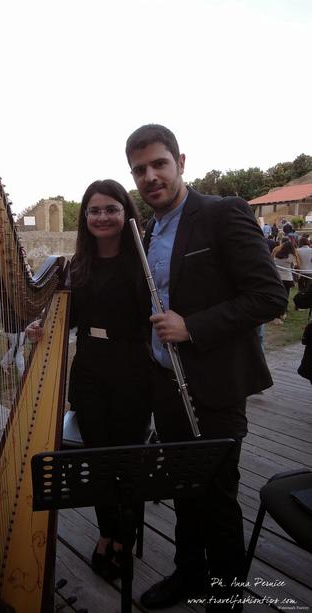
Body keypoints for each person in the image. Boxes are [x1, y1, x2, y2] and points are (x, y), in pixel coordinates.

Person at [125, 124, 287, 611]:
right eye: (139, 170)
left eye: (159, 164)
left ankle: (228, 596)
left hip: (213, 389)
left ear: (181, 162)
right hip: (165, 386)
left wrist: (191, 326)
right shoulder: (149, 228)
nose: (150, 176)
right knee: (182, 490)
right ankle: (189, 574)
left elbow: (269, 295)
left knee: (217, 500)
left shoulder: (222, 213)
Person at [27, 179, 152, 582]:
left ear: (125, 213)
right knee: (98, 463)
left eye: (111, 209)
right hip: (90, 375)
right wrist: (39, 325)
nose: (102, 217)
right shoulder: (76, 266)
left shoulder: (145, 261)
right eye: (94, 210)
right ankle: (107, 533)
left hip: (133, 372)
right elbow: (70, 318)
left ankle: (123, 539)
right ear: (85, 217)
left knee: (127, 463)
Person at [272, 238, 300, 318]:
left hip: (277, 278)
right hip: (287, 278)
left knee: (277, 296)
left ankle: (276, 313)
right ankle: (282, 313)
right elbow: (296, 265)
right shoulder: (291, 256)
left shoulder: (277, 255)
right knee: (285, 297)